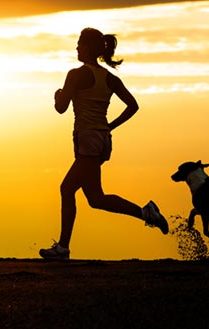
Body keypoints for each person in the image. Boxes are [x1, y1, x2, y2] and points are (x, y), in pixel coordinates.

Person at [39, 27, 168, 260]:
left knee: (67, 189)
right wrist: (110, 126)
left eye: (79, 43)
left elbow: (60, 108)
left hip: (87, 139)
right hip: (102, 141)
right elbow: (133, 106)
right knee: (96, 199)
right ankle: (146, 213)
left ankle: (63, 248)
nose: (76, 47)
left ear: (87, 47)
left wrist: (57, 95)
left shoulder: (75, 74)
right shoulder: (110, 78)